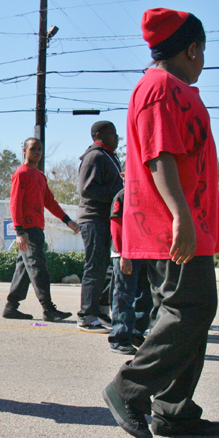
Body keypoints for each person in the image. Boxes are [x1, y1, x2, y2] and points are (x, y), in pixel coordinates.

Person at [102, 8, 219, 438]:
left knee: (188, 313)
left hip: (187, 224)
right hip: (171, 226)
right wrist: (181, 216)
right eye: (203, 52)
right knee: (189, 310)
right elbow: (160, 155)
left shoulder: (172, 88)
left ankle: (173, 409)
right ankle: (128, 389)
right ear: (191, 49)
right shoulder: (160, 88)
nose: (203, 61)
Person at [2, 138, 80, 322]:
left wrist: (67, 220)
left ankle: (11, 307)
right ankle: (48, 309)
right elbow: (15, 203)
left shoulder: (40, 175)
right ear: (25, 151)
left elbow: (49, 202)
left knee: (24, 268)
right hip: (27, 230)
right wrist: (19, 231)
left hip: (37, 228)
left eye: (39, 149)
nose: (37, 152)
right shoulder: (21, 174)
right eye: (33, 149)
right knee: (38, 268)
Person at [76, 121, 124, 333]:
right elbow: (87, 189)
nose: (116, 137)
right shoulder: (94, 156)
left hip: (107, 219)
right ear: (98, 135)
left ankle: (101, 312)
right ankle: (86, 316)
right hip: (93, 218)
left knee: (107, 268)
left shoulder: (108, 156)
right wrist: (118, 194)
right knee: (95, 267)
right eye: (112, 133)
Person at [107, 186, 151, 355]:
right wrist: (123, 254)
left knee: (145, 296)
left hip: (143, 252)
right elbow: (116, 226)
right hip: (126, 253)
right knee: (124, 296)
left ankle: (136, 333)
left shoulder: (148, 193)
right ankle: (119, 338)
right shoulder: (123, 195)